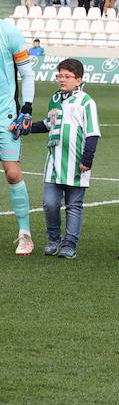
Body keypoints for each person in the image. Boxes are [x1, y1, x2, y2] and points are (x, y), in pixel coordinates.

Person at [23, 58, 99, 258]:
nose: (62, 79)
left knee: (74, 206)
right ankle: (53, 239)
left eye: (67, 76)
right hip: (54, 163)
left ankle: (69, 243)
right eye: (59, 75)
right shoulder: (55, 98)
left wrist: (87, 159)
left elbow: (92, 133)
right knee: (50, 203)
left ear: (79, 79)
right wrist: (27, 128)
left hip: (76, 164)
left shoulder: (86, 101)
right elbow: (49, 123)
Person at [0, 16, 36, 255]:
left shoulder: (9, 31)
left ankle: (25, 234)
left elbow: (27, 73)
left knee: (12, 173)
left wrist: (27, 108)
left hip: (6, 114)